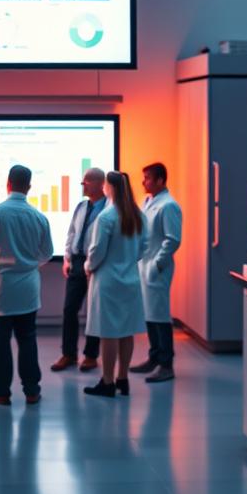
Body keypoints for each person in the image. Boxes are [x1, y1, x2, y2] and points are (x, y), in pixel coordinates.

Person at [0, 165, 54, 406]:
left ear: (7, 184)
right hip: (28, 288)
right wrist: (27, 264)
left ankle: (1, 391)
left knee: (0, 341)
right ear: (28, 187)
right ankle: (31, 390)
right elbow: (46, 253)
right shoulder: (39, 217)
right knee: (28, 339)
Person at [82, 171, 147, 398]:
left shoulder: (107, 217)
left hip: (108, 281)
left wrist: (88, 266)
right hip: (130, 279)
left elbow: (97, 250)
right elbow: (143, 248)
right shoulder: (138, 215)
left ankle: (107, 382)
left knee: (108, 333)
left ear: (110, 188)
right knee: (126, 332)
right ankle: (123, 378)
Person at [132, 162, 184, 383]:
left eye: (148, 178)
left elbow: (172, 239)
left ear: (161, 180)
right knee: (150, 314)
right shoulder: (148, 201)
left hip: (156, 268)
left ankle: (166, 364)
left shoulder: (169, 206)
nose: (144, 182)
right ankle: (154, 358)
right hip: (145, 265)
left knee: (160, 316)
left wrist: (157, 264)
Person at [52, 167, 106, 373]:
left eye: (87, 181)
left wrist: (92, 263)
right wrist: (67, 258)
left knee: (94, 311)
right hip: (76, 261)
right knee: (69, 309)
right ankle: (69, 354)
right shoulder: (81, 206)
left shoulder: (108, 209)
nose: (83, 185)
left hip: (97, 264)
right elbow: (72, 233)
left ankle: (91, 356)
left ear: (100, 184)